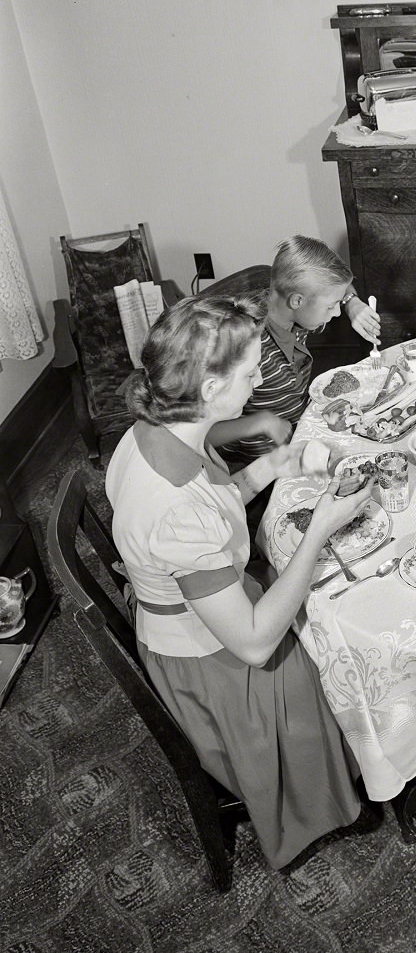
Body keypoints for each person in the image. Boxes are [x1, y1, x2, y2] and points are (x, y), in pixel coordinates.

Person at [106, 294, 375, 868]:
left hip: (204, 608)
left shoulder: (153, 430)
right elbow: (253, 644)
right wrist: (319, 530)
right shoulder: (174, 508)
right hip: (213, 663)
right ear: (208, 388)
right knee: (337, 643)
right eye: (250, 372)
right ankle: (328, 793)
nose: (257, 383)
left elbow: (218, 498)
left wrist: (280, 463)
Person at [209, 236, 379, 471]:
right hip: (257, 466)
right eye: (331, 306)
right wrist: (262, 422)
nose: (337, 313)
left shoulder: (296, 309)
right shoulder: (246, 347)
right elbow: (203, 433)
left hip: (299, 434)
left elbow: (334, 281)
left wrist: (352, 304)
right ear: (297, 300)